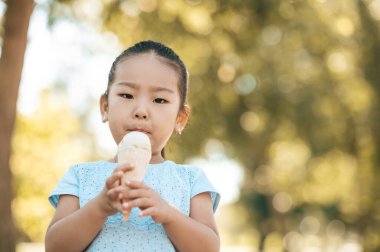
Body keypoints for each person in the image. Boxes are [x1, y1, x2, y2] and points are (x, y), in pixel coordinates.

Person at [45, 40, 220, 252]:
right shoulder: (80, 176)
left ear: (180, 118)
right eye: (127, 95)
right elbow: (55, 247)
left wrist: (169, 215)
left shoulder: (191, 181)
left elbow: (209, 248)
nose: (141, 110)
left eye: (160, 100)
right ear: (105, 107)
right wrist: (99, 207)